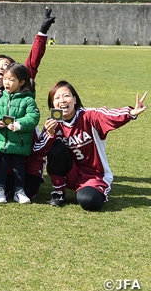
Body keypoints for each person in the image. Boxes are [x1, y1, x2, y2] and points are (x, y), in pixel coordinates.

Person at [0, 7, 56, 199]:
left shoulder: (24, 89)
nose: (0, 68)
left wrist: (42, 33)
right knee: (1, 189)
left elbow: (33, 61)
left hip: (27, 147)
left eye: (6, 66)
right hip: (6, 147)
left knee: (29, 191)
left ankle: (34, 173)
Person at [39, 82, 147, 211]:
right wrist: (50, 135)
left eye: (66, 96)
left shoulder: (89, 116)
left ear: (74, 99)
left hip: (94, 175)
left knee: (88, 201)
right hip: (70, 173)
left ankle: (93, 190)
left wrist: (131, 113)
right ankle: (59, 193)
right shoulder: (52, 123)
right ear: (52, 104)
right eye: (57, 98)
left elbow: (109, 115)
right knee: (55, 147)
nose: (62, 100)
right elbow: (38, 151)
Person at [0, 63, 40, 204]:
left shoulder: (28, 100)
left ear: (21, 82)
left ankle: (19, 191)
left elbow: (33, 117)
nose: (7, 82)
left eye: (11, 79)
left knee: (18, 169)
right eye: (5, 78)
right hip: (2, 143)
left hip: (20, 144)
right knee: (2, 168)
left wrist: (19, 124)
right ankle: (0, 190)